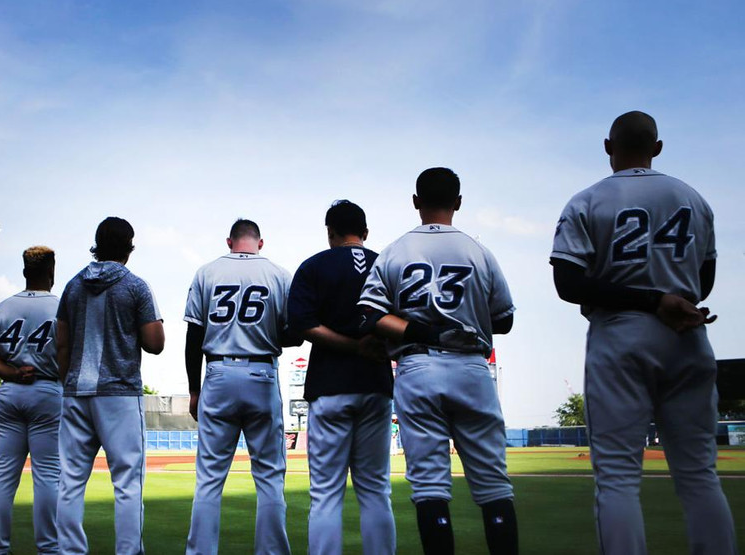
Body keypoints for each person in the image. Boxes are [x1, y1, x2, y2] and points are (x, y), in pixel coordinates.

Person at [550, 111, 737, 555]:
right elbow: (704, 279)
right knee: (698, 475)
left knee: (617, 477)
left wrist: (649, 300)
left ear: (608, 147)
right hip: (686, 334)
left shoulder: (587, 200)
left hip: (620, 334)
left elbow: (568, 284)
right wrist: (669, 300)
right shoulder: (693, 198)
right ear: (656, 148)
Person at [359, 168, 518, 555]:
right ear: (458, 202)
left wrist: (421, 330)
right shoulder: (477, 250)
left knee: (429, 485)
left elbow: (370, 315)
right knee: (493, 483)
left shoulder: (395, 251)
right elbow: (505, 319)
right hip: (470, 366)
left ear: (416, 201)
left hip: (417, 369)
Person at [184, 219, 300, 555]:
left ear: (229, 241)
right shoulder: (278, 274)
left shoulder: (207, 272)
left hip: (218, 372)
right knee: (269, 480)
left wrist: (194, 389)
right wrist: (267, 333)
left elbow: (194, 338)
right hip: (261, 373)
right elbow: (295, 333)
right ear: (259, 243)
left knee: (208, 481)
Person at [287, 200, 396, 555]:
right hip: (376, 386)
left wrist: (350, 347)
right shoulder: (388, 264)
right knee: (376, 491)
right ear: (364, 233)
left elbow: (303, 325)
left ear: (330, 232)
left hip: (330, 385)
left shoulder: (314, 266)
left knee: (326, 495)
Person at [55, 217, 164, 555]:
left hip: (76, 391)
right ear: (129, 248)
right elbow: (155, 343)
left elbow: (61, 341)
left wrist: (66, 381)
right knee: (128, 484)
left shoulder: (73, 286)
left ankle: (69, 551)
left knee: (70, 483)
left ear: (97, 244)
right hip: (118, 393)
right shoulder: (135, 286)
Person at [0, 246, 62, 555]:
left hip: (9, 391)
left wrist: (10, 373)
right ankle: (49, 548)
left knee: (3, 473)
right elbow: (70, 354)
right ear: (52, 272)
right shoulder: (61, 305)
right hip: (48, 390)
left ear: (25, 271)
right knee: (48, 475)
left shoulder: (2, 307)